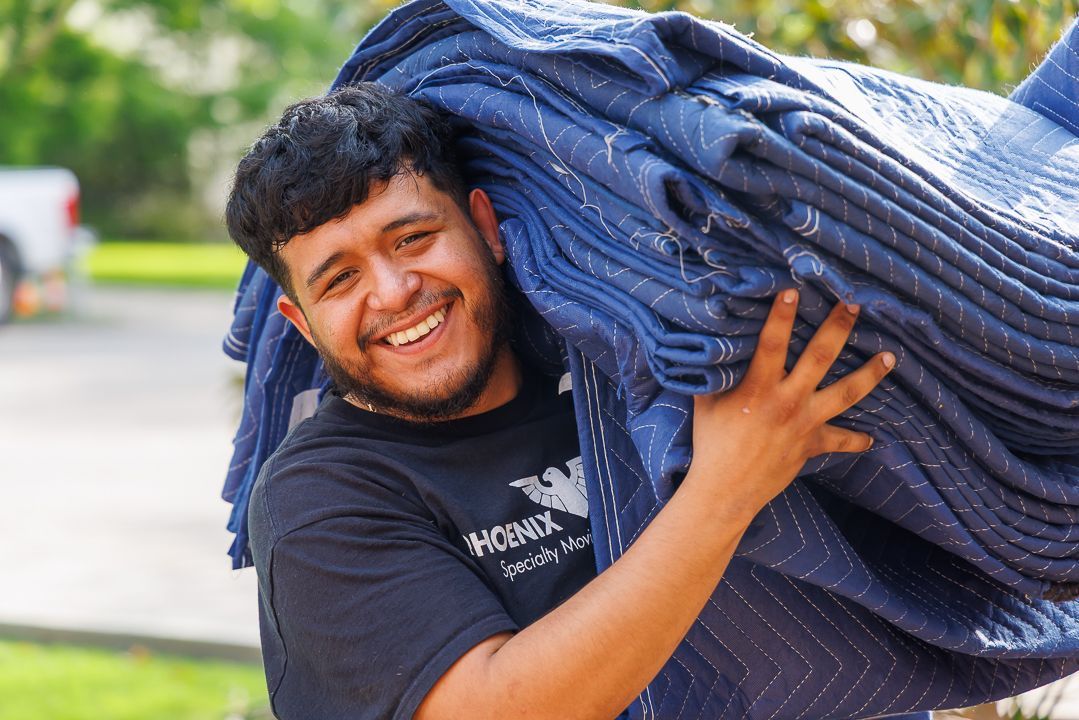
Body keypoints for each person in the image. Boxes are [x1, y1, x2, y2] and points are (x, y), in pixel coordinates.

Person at [225, 83, 896, 720]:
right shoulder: (315, 498)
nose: (394, 291)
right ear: (302, 322)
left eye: (413, 238)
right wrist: (726, 488)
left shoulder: (622, 374)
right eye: (340, 279)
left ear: (485, 227)